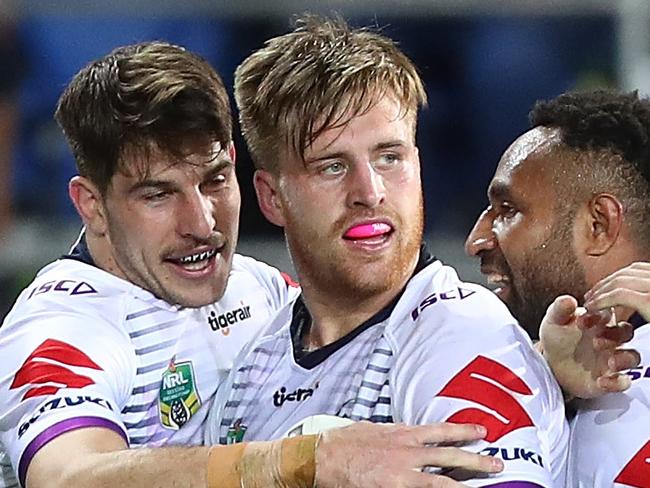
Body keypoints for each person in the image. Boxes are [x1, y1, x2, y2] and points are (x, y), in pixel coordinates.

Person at [0, 41, 500, 488]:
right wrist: (301, 463)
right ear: (91, 205)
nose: (200, 223)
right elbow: (66, 477)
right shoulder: (61, 326)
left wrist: (550, 367)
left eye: (215, 181)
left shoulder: (256, 288)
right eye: (158, 195)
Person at [207, 15, 570, 486]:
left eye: (389, 157)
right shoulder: (251, 368)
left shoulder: (462, 335)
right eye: (332, 167)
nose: (370, 191)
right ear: (271, 197)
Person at [465, 89, 650, 486]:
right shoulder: (528, 375)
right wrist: (544, 374)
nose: (476, 240)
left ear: (599, 224)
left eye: (507, 210)